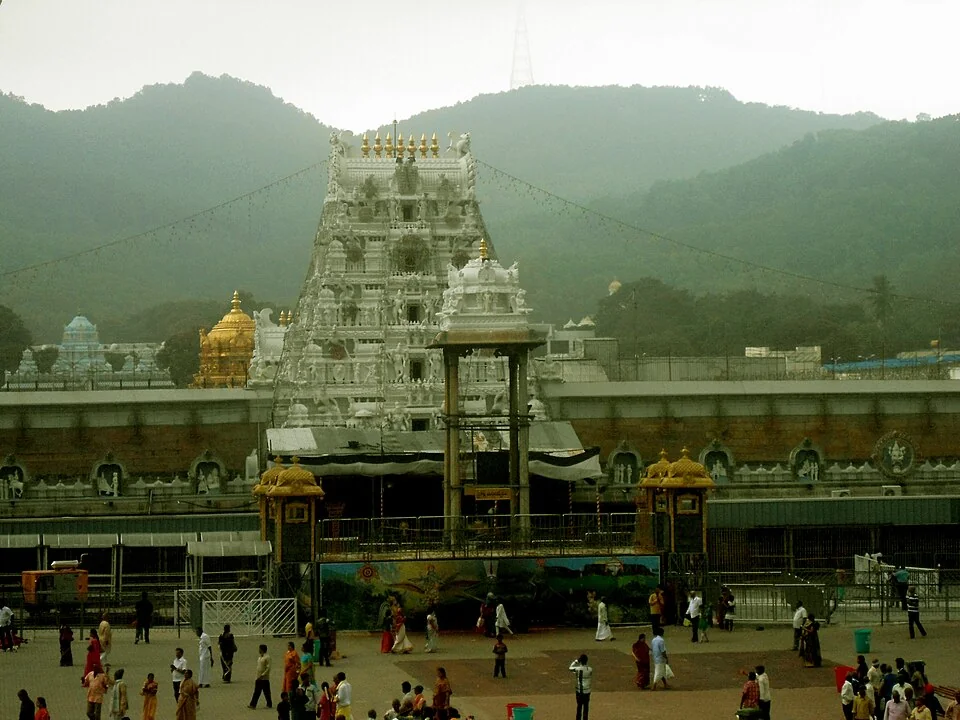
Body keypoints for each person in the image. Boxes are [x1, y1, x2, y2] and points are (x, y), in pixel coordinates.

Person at [569, 654, 592, 720]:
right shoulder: (590, 669)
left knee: (579, 707)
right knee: (586, 707)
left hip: (579, 691)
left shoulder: (577, 669)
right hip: (587, 691)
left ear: (580, 661)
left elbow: (570, 668)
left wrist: (576, 661)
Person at [250, 644, 273, 709]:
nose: (259, 650)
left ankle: (254, 704)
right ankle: (254, 704)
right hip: (258, 676)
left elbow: (268, 668)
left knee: (263, 692)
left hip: (264, 678)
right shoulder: (260, 657)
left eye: (259, 649)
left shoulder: (267, 657)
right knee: (261, 691)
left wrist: (263, 675)